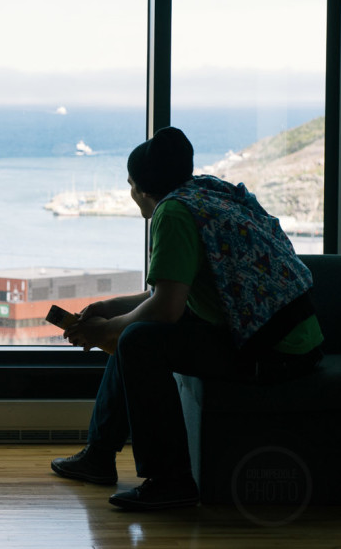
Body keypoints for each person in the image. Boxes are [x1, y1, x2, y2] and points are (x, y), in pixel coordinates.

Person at [51, 126, 323, 511]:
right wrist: (110, 309)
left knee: (137, 340)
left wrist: (106, 330)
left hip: (271, 350)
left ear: (142, 189)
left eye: (130, 185)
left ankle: (170, 482)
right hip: (287, 335)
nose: (130, 193)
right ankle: (99, 455)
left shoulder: (172, 212)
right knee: (133, 330)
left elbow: (165, 309)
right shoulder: (204, 192)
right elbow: (170, 292)